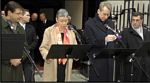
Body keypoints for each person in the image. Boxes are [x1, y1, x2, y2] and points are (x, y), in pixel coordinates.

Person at [83, 2, 119, 82]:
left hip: (109, 60)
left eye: (108, 15)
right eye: (104, 14)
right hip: (97, 60)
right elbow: (90, 42)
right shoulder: (90, 24)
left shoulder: (111, 23)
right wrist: (104, 40)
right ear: (98, 11)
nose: (106, 17)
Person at [39, 9, 77, 82]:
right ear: (56, 19)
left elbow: (75, 47)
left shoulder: (71, 32)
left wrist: (76, 54)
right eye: (61, 21)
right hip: (53, 63)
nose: (64, 23)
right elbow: (43, 47)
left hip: (66, 64)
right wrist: (47, 55)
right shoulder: (49, 31)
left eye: (66, 21)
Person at [120, 12, 150, 82]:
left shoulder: (147, 33)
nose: (134, 22)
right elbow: (122, 49)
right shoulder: (126, 33)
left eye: (137, 20)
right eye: (133, 20)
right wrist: (129, 59)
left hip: (146, 68)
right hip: (133, 67)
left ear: (141, 21)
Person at [1, 1, 24, 81]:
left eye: (21, 14)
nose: (21, 16)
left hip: (18, 71)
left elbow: (26, 48)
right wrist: (9, 60)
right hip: (3, 71)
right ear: (9, 13)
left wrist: (19, 58)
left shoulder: (20, 28)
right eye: (18, 13)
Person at [19, 9, 37, 82]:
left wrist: (28, 49)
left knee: (29, 79)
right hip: (17, 58)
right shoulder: (14, 27)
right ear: (21, 16)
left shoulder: (31, 28)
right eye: (28, 15)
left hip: (29, 58)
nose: (29, 17)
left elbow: (35, 41)